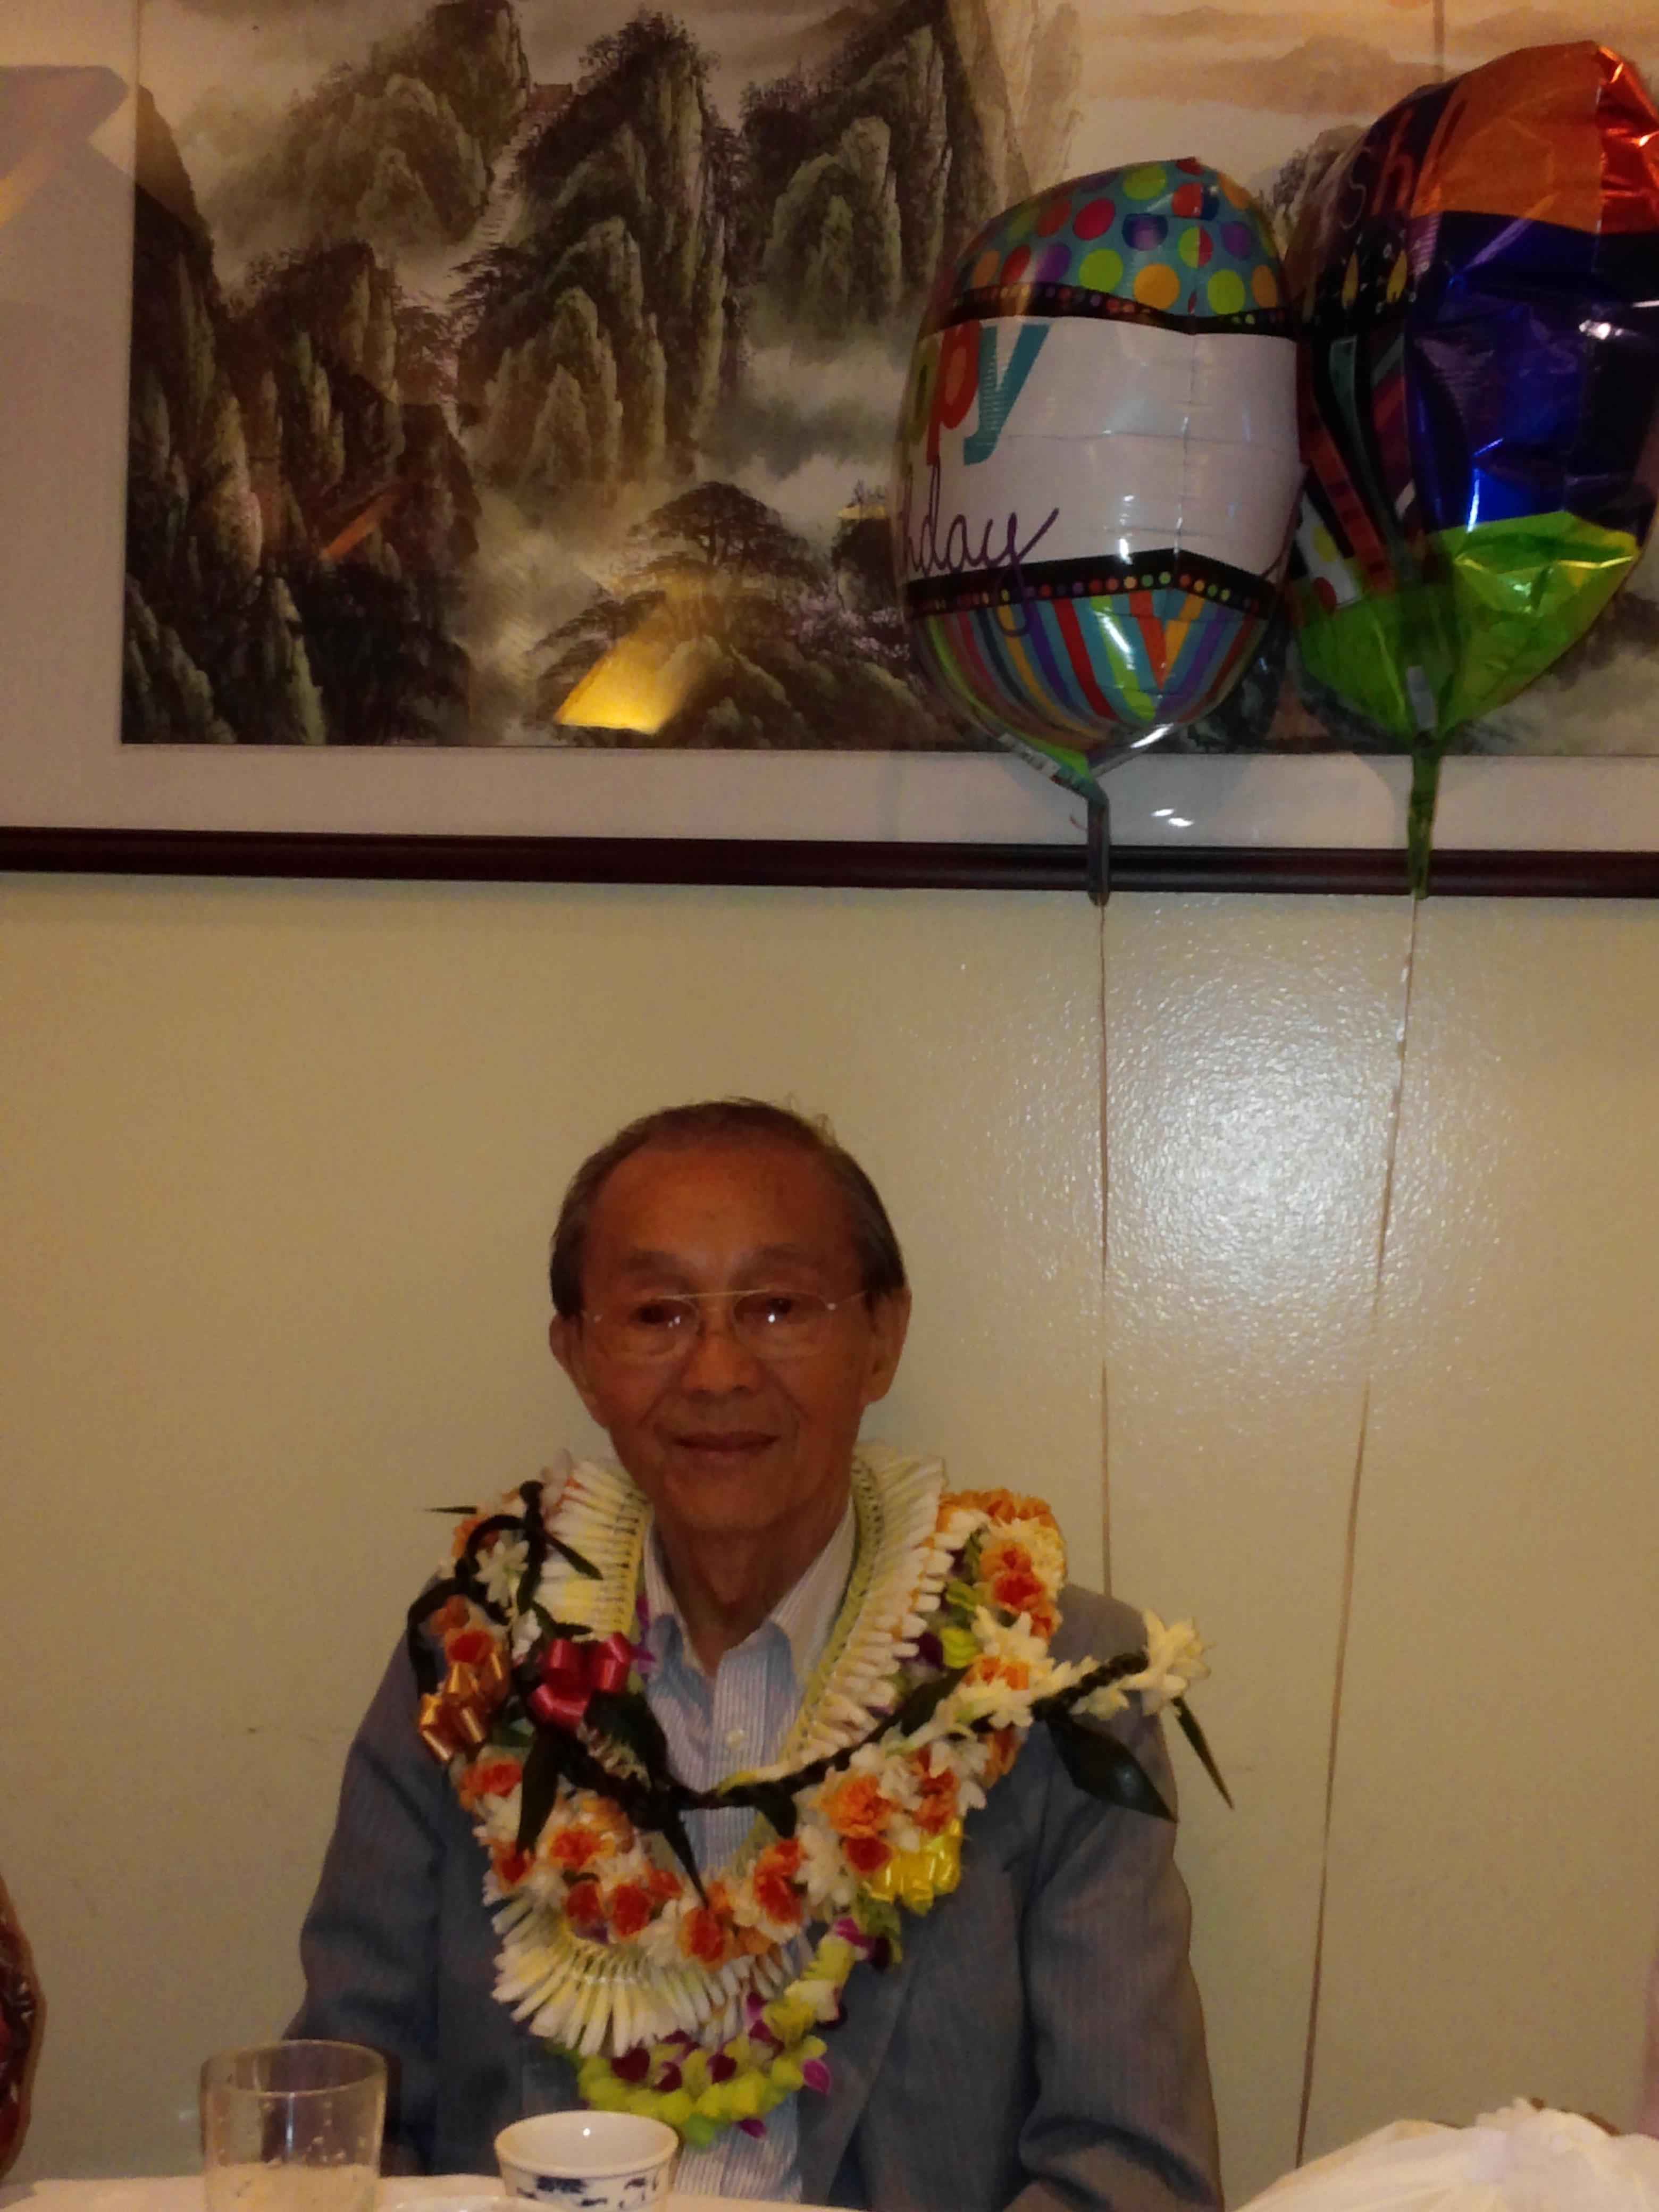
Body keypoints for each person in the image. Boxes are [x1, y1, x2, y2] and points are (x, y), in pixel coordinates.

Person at [292, 1100, 1221, 2212]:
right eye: (656, 1312)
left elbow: (1132, 2172)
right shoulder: (475, 1666)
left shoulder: (1047, 1679)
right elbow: (344, 2122)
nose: (719, 1370)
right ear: (580, 1358)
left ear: (882, 1336)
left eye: (779, 1306)